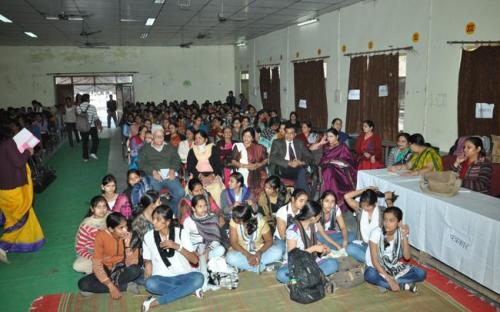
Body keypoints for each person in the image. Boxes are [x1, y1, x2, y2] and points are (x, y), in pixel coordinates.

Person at [141, 205, 204, 311]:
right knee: (149, 284)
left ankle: (157, 301)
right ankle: (190, 290)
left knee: (199, 278)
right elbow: (147, 259)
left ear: (168, 222)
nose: (154, 222)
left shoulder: (181, 233)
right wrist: (147, 263)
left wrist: (177, 246)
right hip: (162, 278)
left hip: (184, 275)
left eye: (158, 219)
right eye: (154, 219)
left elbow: (195, 260)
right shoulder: (148, 236)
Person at [0, 126, 45, 262]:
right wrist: (28, 152)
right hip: (14, 188)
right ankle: (4, 245)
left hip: (3, 188)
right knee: (20, 217)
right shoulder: (9, 143)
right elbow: (19, 162)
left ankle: (28, 242)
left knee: (13, 216)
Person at [78, 212, 141, 299]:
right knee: (83, 284)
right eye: (121, 228)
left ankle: (100, 287)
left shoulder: (131, 236)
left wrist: (127, 247)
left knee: (135, 270)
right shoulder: (101, 236)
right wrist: (110, 286)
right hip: (106, 268)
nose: (125, 230)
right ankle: (125, 286)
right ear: (111, 229)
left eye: (126, 226)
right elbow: (97, 264)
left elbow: (132, 264)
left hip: (121, 268)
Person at [364, 207, 426, 292]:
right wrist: (390, 280)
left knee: (421, 273)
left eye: (391, 220)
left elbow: (407, 257)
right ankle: (399, 284)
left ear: (399, 222)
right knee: (369, 275)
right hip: (377, 268)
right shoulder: (376, 233)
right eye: (385, 220)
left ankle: (385, 284)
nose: (387, 223)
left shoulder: (400, 232)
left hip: (393, 267)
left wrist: (405, 236)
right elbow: (375, 262)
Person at [276, 200, 338, 284]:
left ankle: (303, 282)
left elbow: (312, 241)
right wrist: (314, 248)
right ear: (313, 217)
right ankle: (314, 279)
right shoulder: (293, 230)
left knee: (333, 263)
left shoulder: (313, 226)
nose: (320, 217)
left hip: (312, 263)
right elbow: (293, 257)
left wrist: (322, 247)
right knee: (281, 274)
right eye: (319, 215)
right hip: (296, 265)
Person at [138, 128, 185, 216]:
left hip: (168, 174)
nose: (160, 139)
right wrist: (153, 172)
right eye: (157, 136)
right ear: (153, 137)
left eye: (162, 136)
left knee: (181, 192)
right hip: (154, 175)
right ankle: (156, 215)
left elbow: (177, 160)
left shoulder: (170, 147)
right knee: (153, 197)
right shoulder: (145, 148)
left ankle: (171, 211)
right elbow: (141, 163)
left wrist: (172, 169)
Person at [183, 195, 226, 291]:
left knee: (221, 249)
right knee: (200, 250)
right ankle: (205, 278)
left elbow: (216, 239)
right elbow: (186, 241)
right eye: (200, 206)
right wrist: (194, 253)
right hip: (195, 251)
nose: (204, 209)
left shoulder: (212, 217)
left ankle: (204, 271)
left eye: (205, 206)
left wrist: (208, 250)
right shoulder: (188, 222)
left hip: (209, 249)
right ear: (193, 208)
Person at [226, 205, 283, 273]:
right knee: (230, 257)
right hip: (242, 253)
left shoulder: (261, 222)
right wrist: (247, 255)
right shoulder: (233, 221)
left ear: (243, 220)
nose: (234, 219)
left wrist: (259, 252)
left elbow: (269, 240)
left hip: (260, 253)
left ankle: (246, 266)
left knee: (278, 252)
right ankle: (260, 267)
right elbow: (233, 242)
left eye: (237, 220)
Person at [310, 128, 357, 211]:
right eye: (328, 136)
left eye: (331, 136)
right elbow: (311, 149)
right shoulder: (326, 146)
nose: (329, 138)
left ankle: (333, 200)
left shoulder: (342, 147)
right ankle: (327, 199)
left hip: (341, 171)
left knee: (329, 171)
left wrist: (333, 162)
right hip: (325, 167)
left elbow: (348, 162)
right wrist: (320, 142)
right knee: (328, 170)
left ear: (337, 136)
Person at [269, 123, 314, 194]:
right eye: (287, 133)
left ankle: (298, 196)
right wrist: (288, 163)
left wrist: (300, 162)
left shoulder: (299, 143)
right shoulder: (277, 142)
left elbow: (309, 156)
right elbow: (273, 157)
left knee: (300, 174)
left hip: (298, 167)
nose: (288, 135)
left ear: (295, 134)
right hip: (283, 168)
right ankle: (307, 197)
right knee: (302, 172)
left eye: (291, 133)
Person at [187, 130, 224, 207]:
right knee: (193, 189)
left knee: (216, 188)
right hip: (197, 176)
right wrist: (200, 176)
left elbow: (218, 165)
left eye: (200, 138)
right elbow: (190, 167)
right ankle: (197, 209)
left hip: (212, 175)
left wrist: (212, 176)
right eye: (196, 138)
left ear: (206, 139)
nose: (197, 140)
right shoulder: (192, 150)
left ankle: (215, 209)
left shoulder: (213, 148)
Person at [344, 188, 383, 263]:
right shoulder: (360, 210)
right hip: (364, 245)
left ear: (374, 203)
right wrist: (366, 189)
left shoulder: (382, 212)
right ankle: (374, 262)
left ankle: (374, 261)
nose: (365, 208)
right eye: (363, 205)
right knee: (349, 248)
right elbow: (346, 196)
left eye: (368, 206)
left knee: (397, 251)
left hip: (377, 247)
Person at [73, 195, 109, 274]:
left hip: (108, 249)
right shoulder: (86, 225)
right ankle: (100, 270)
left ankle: (104, 268)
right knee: (77, 266)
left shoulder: (110, 217)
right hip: (92, 251)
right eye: (98, 207)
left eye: (104, 206)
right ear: (92, 209)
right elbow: (80, 248)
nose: (102, 210)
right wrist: (93, 258)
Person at [231, 128, 268, 196]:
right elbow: (233, 161)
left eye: (249, 136)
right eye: (244, 136)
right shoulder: (238, 146)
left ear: (252, 138)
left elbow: (266, 160)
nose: (246, 138)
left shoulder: (258, 147)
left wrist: (258, 165)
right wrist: (245, 166)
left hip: (255, 170)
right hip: (241, 171)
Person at [273, 189, 308, 255]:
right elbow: (283, 236)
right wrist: (296, 242)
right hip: (281, 239)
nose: (304, 204)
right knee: (280, 251)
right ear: (292, 199)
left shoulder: (303, 211)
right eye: (301, 201)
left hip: (297, 236)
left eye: (305, 201)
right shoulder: (282, 212)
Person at [76, 94, 101, 162]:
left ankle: (85, 157)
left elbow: (78, 116)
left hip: (82, 127)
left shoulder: (78, 107)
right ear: (87, 99)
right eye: (89, 98)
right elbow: (96, 118)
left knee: (85, 142)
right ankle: (93, 152)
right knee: (95, 140)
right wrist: (99, 125)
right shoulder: (92, 107)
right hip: (92, 126)